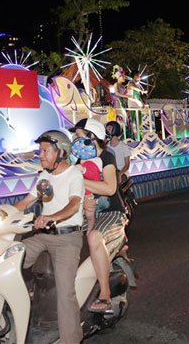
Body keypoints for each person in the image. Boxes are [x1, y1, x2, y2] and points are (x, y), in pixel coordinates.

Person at [13, 130, 84, 344]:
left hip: (67, 240)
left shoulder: (74, 175)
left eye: (45, 150)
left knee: (65, 294)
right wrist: (3, 213)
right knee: (8, 261)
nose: (40, 155)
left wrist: (51, 217)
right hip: (42, 236)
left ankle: (72, 340)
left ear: (61, 152)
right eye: (40, 150)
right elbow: (25, 202)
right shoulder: (43, 177)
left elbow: (73, 205)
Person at [70, 118, 128, 315]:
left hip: (111, 212)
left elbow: (110, 188)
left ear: (91, 137)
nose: (75, 140)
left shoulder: (107, 157)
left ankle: (104, 294)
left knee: (94, 236)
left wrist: (81, 181)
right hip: (86, 211)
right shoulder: (79, 159)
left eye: (78, 136)